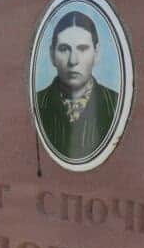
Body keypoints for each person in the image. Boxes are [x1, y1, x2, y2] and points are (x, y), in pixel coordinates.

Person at [36, 10, 119, 161]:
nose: (73, 60)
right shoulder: (37, 103)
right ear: (52, 55)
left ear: (97, 53)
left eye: (82, 49)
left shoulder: (115, 104)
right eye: (64, 49)